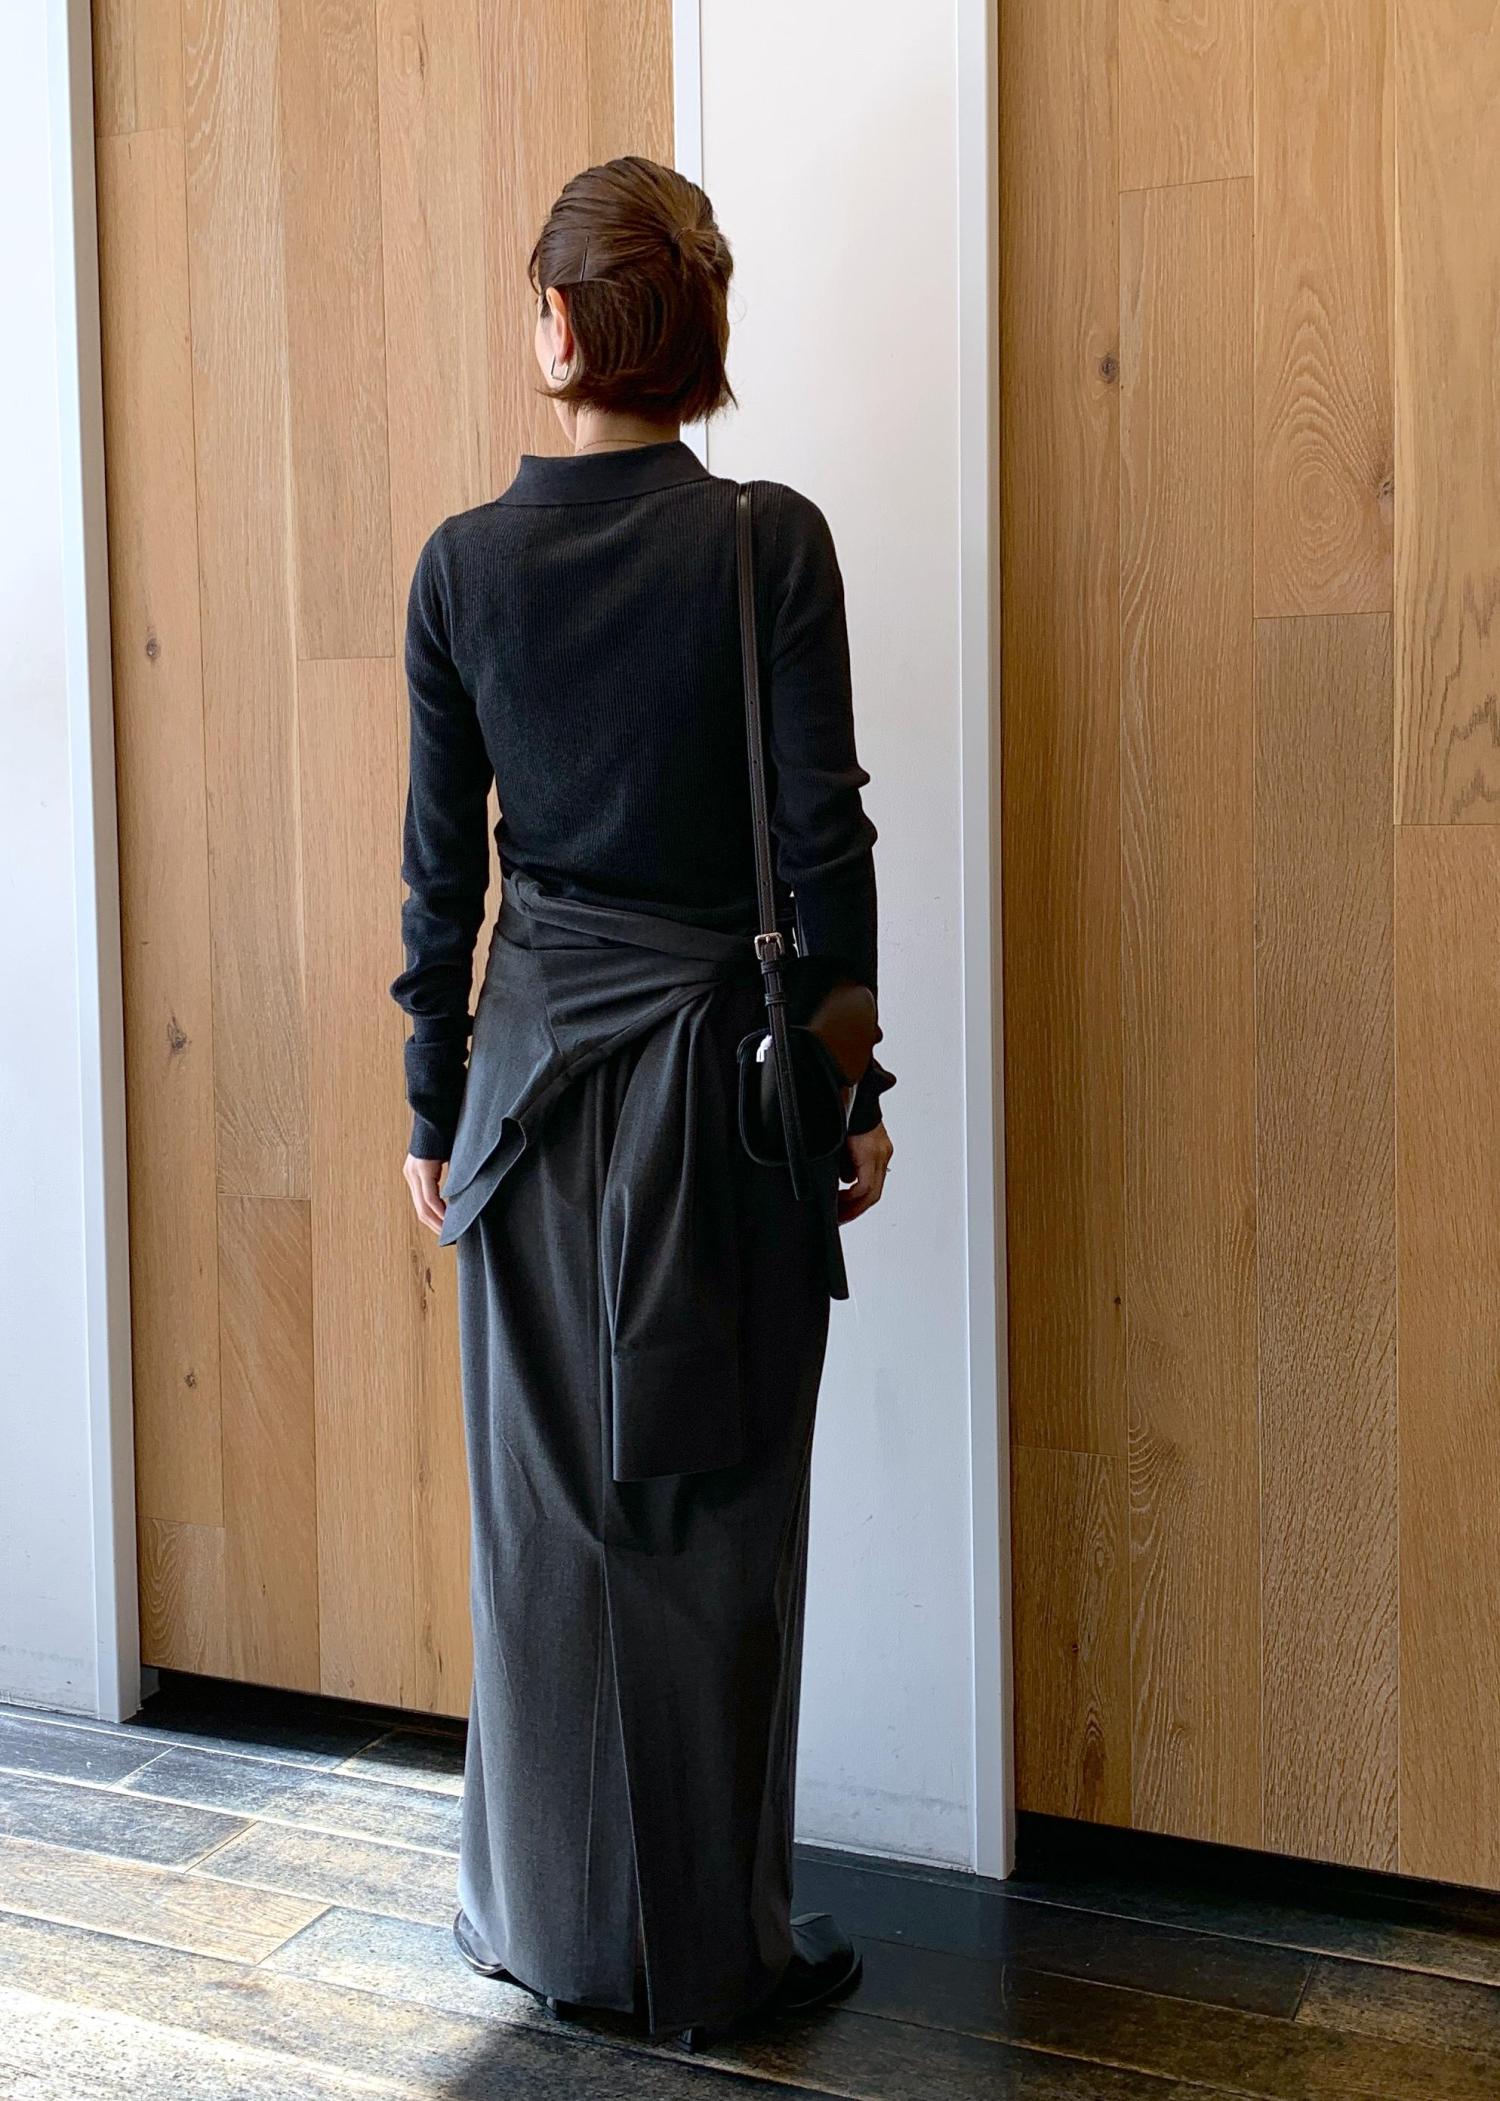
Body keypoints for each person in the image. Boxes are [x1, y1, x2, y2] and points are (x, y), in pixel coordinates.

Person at [388, 153, 894, 2052]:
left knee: (542, 1533)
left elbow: (442, 880)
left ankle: (542, 1926)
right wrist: (843, 1093)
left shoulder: (460, 569)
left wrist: (432, 1103)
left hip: (525, 1100)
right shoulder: (772, 545)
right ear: (696, 334)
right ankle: (716, 1949)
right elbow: (823, 855)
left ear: (564, 328)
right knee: (716, 1524)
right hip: (725, 1103)